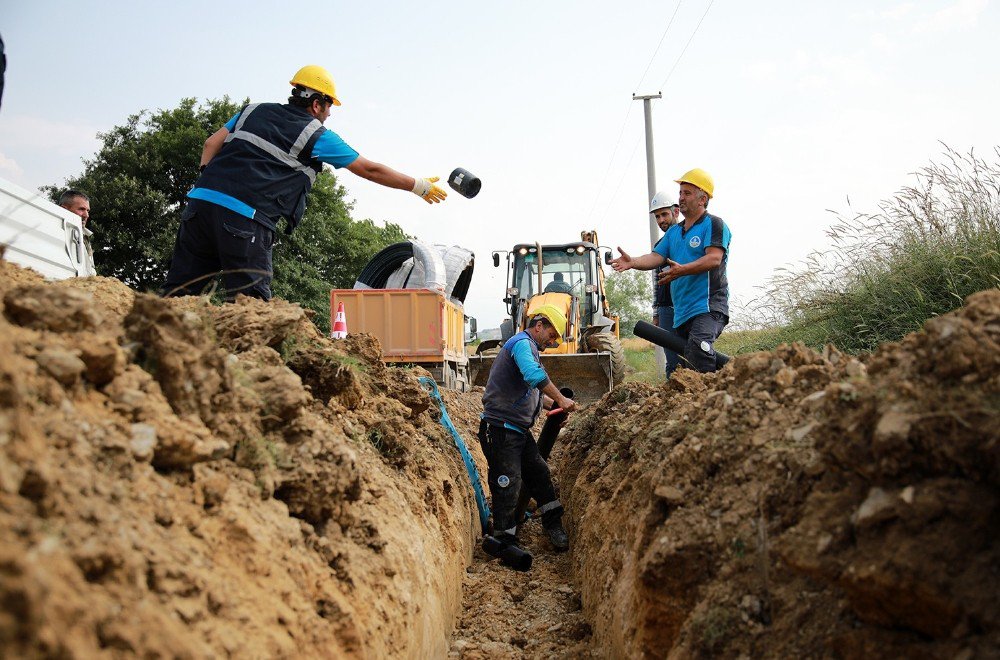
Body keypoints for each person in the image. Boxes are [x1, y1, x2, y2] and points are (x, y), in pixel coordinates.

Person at [162, 65, 447, 301]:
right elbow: (369, 169)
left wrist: (207, 181)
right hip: (245, 219)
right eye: (328, 107)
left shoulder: (252, 110)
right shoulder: (316, 134)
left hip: (199, 207)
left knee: (177, 293)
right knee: (250, 307)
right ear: (316, 104)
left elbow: (211, 142)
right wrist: (417, 185)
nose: (329, 114)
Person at [479, 304, 577, 563]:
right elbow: (534, 376)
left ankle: (553, 525)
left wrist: (555, 406)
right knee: (507, 484)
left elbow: (531, 393)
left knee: (540, 474)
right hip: (500, 430)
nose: (553, 341)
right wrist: (560, 398)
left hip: (517, 431)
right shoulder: (521, 344)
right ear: (539, 325)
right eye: (552, 335)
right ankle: (504, 540)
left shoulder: (529, 348)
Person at [612, 169, 731, 372]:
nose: (681, 197)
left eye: (687, 193)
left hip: (708, 306)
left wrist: (682, 270)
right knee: (683, 364)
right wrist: (633, 261)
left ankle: (713, 398)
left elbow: (714, 259)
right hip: (682, 313)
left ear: (703, 199)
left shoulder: (714, 224)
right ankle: (718, 384)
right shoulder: (675, 232)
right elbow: (656, 257)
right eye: (680, 193)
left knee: (699, 350)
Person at [648, 190, 683, 378]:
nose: (661, 220)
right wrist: (656, 312)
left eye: (664, 214)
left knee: (693, 356)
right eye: (657, 216)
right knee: (673, 361)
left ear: (676, 212)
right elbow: (657, 281)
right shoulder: (660, 246)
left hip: (685, 305)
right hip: (666, 308)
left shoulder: (686, 240)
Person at [59, 189, 95, 273]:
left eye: (88, 210)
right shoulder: (54, 231)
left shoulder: (84, 237)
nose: (86, 215)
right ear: (64, 209)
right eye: (81, 209)